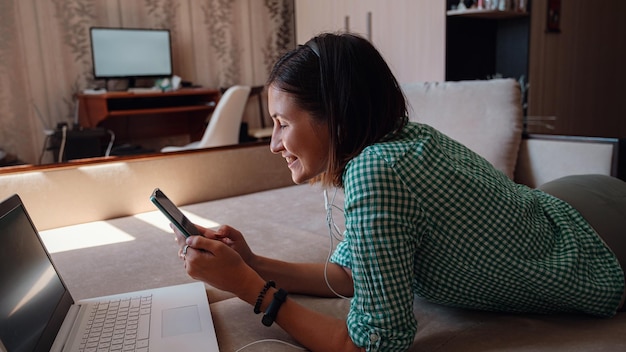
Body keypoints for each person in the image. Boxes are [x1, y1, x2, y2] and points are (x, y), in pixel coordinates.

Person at [174, 33, 626, 351]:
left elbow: (373, 344)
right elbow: (352, 274)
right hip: (566, 206)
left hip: (601, 243)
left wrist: (250, 289)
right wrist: (252, 263)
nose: (274, 144)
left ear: (337, 115)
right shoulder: (401, 139)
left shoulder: (378, 170)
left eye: (282, 123)